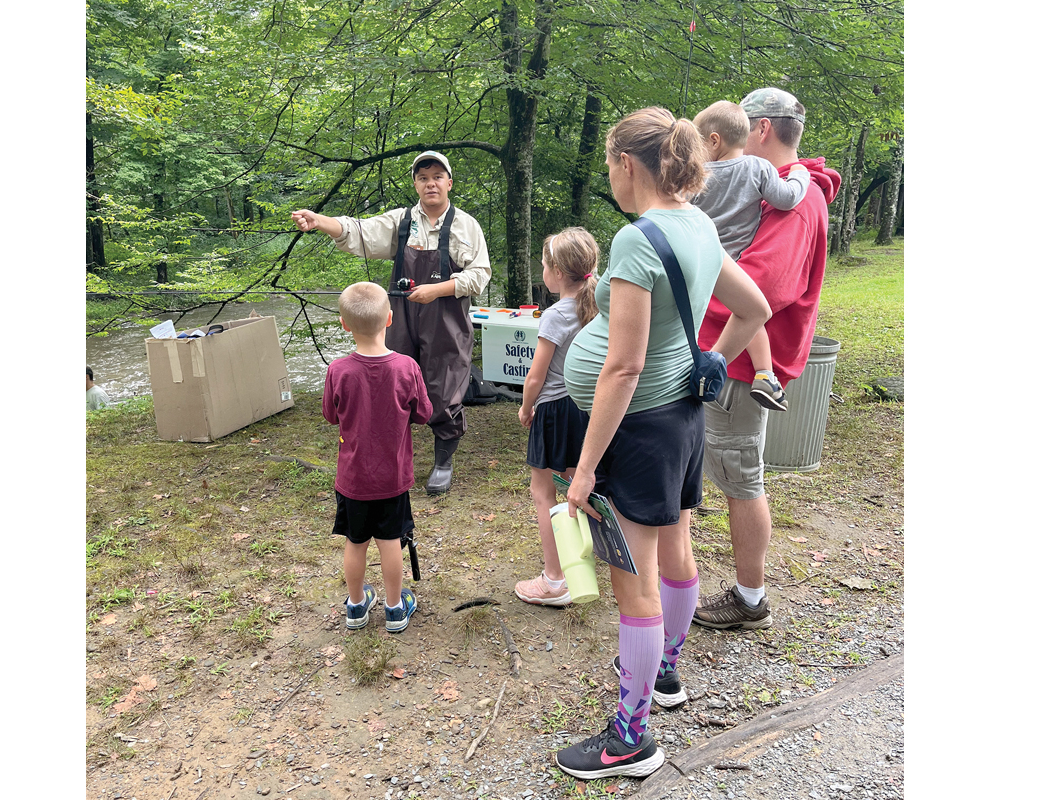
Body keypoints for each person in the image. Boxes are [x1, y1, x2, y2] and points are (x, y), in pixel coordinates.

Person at [554, 107, 771, 780]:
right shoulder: (697, 222)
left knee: (635, 584)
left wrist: (584, 469)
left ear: (626, 164)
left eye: (609, 166)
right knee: (675, 549)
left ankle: (630, 741)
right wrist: (714, 358)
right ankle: (666, 669)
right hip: (678, 418)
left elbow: (622, 365)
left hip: (639, 431)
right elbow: (756, 307)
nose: (609, 177)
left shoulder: (639, 238)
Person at [692, 88, 841, 631]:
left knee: (739, 478)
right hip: (724, 356)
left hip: (732, 365)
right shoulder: (764, 189)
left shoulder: (798, 202)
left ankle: (751, 598)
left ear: (759, 130)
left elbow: (763, 289)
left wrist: (715, 356)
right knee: (726, 472)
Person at [292, 151, 491, 495]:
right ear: (416, 184)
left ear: (449, 183)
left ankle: (443, 459)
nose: (431, 183)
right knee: (391, 384)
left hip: (447, 317)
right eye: (423, 177)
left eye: (437, 176)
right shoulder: (401, 222)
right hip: (401, 316)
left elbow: (479, 275)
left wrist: (436, 290)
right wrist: (319, 221)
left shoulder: (466, 225)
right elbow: (360, 232)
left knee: (443, 388)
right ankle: (392, 455)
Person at [322, 282, 433, 633]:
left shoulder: (338, 371)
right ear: (389, 319)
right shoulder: (407, 367)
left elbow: (330, 415)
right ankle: (395, 608)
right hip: (393, 478)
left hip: (353, 480)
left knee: (355, 543)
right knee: (390, 544)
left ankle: (356, 606)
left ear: (344, 324)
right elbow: (424, 414)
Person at [692, 100, 811, 412]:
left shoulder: (697, 178)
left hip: (703, 261)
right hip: (735, 261)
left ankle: (757, 373)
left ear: (714, 140)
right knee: (749, 311)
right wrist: (801, 174)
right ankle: (765, 373)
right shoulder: (758, 169)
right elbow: (786, 199)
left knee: (739, 311)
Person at [512, 227, 600, 607]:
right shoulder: (600, 307)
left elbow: (536, 375)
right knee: (579, 481)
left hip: (553, 409)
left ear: (557, 273)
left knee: (543, 491)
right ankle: (593, 559)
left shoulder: (555, 314)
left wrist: (525, 406)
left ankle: (555, 578)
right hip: (588, 408)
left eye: (545, 264)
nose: (542, 270)